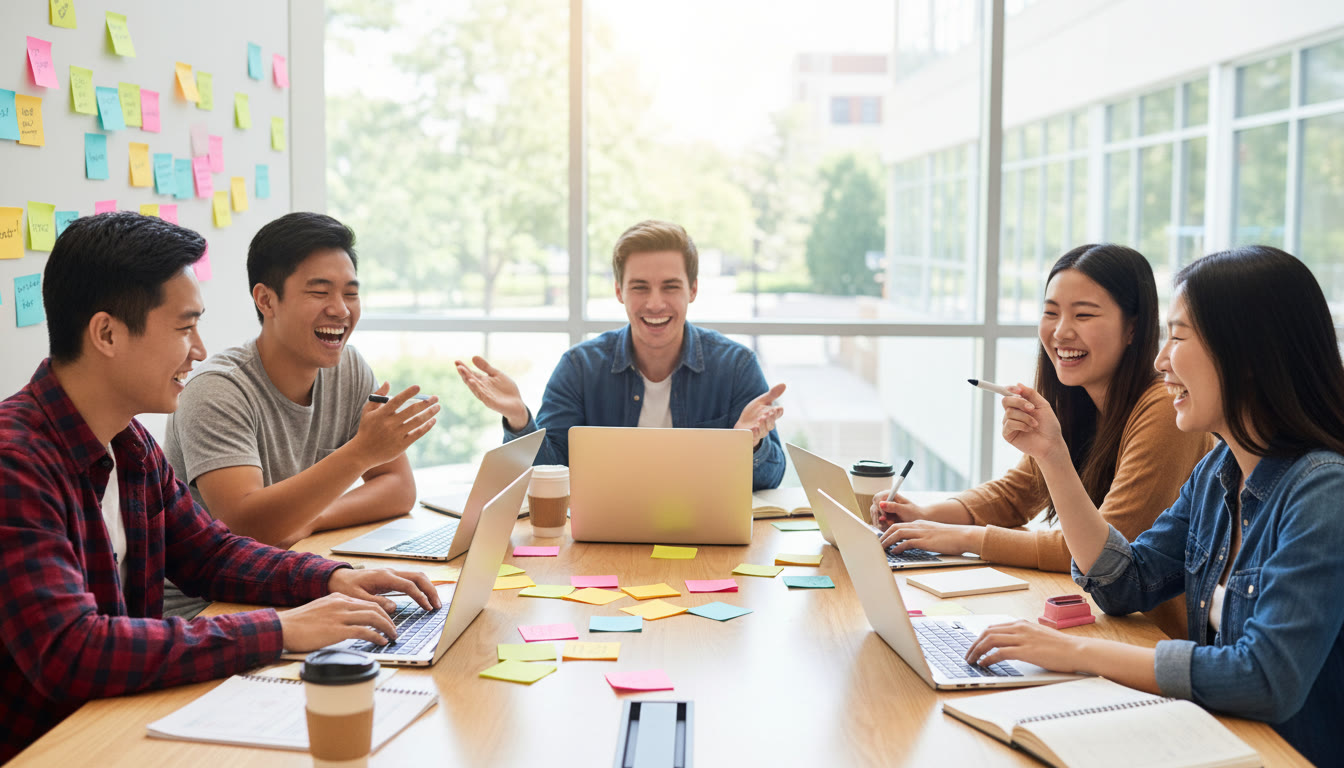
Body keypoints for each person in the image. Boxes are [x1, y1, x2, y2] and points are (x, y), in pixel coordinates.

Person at [0, 212, 439, 761]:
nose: (199, 350)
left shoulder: (129, 444)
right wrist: (280, 630)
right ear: (107, 333)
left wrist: (335, 577)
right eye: (184, 328)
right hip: (50, 745)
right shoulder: (15, 462)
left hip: (120, 716)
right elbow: (73, 650)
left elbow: (212, 554)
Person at [964, 246, 1344, 767]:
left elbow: (1264, 679)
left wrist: (1076, 653)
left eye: (1179, 336)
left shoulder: (1322, 492)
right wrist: (1051, 454)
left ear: (1250, 359)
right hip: (1212, 739)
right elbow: (1125, 582)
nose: (1162, 359)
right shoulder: (1218, 475)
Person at [874, 244, 1212, 639]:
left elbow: (1100, 552)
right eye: (1050, 312)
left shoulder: (1163, 410)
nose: (1060, 331)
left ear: (1133, 328)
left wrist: (964, 538)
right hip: (1108, 622)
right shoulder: (1077, 396)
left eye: (1083, 315)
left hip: (1153, 637)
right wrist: (926, 515)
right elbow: (1018, 493)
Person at [164, 212, 436, 548]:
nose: (340, 310)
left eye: (350, 294)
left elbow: (398, 488)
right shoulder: (216, 390)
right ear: (266, 300)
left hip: (290, 573)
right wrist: (360, 453)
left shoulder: (348, 369)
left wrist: (313, 518)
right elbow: (244, 528)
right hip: (209, 598)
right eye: (320, 292)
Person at [456, 219, 787, 490]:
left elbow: (772, 477)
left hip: (706, 540)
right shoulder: (579, 368)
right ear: (618, 291)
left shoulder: (736, 367)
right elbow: (548, 474)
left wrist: (750, 446)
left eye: (670, 287)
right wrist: (519, 419)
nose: (655, 303)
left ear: (693, 289)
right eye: (640, 287)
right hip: (602, 542)